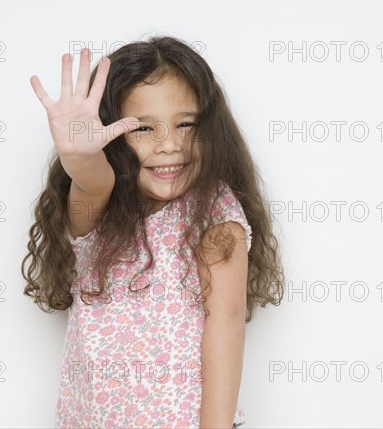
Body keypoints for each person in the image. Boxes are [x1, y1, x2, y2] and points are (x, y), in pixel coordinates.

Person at [22, 36, 285, 429]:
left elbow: (226, 325)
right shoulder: (100, 207)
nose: (170, 145)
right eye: (144, 129)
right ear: (111, 136)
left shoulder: (214, 213)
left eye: (186, 124)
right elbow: (92, 182)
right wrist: (81, 157)